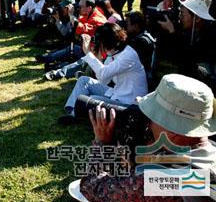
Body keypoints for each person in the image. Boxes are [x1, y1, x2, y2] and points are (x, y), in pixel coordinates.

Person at [80, 74, 216, 201]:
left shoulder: (159, 178)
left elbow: (91, 187)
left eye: (153, 116)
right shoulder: (210, 154)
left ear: (172, 131)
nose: (148, 124)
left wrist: (102, 143)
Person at [58, 22, 147, 125]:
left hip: (128, 103)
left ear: (106, 42)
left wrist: (88, 53)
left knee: (92, 100)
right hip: (117, 93)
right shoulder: (114, 52)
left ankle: (76, 113)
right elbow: (104, 80)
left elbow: (103, 74)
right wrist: (98, 58)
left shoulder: (127, 55)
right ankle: (72, 112)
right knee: (84, 80)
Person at [158, 0, 216, 90]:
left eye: (183, 14)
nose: (180, 18)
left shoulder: (210, 37)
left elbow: (187, 59)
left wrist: (172, 31)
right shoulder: (188, 31)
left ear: (197, 19)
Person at [36, 0, 107, 65]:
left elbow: (81, 29)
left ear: (89, 8)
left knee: (72, 48)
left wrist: (71, 16)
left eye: (81, 6)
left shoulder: (97, 19)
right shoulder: (90, 12)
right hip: (88, 46)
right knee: (69, 47)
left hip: (96, 52)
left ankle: (50, 60)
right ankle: (49, 58)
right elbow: (78, 25)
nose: (78, 8)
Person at [124, 11, 156, 89]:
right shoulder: (143, 36)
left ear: (135, 26)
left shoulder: (141, 42)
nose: (125, 28)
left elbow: (127, 62)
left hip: (140, 82)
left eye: (127, 25)